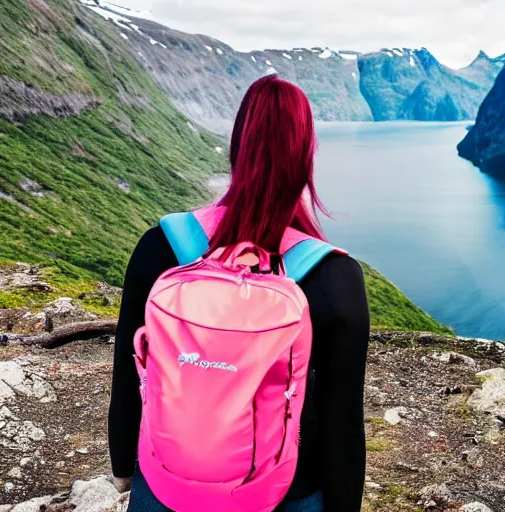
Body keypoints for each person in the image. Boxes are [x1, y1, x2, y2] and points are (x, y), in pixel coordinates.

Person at [108, 74, 370, 512]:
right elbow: (343, 424)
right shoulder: (334, 277)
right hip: (286, 493)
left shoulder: (161, 246)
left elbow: (129, 367)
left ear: (236, 147)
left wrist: (123, 465)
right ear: (305, 157)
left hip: (165, 485)